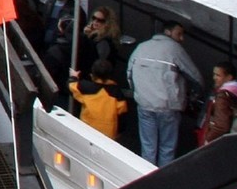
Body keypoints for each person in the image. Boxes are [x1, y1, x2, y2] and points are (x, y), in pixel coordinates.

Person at [127, 21, 204, 165]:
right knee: (167, 149)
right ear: (168, 32)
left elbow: (129, 74)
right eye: (179, 34)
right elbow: (195, 77)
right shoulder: (175, 49)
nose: (182, 38)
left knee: (148, 147)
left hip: (144, 104)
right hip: (168, 106)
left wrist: (138, 93)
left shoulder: (141, 47)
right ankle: (163, 182)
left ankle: (146, 180)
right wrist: (194, 96)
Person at [68, 68, 131, 141]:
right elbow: (122, 116)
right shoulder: (117, 93)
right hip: (108, 134)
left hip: (87, 130)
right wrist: (120, 132)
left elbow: (71, 85)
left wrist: (73, 76)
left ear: (92, 75)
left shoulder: (86, 87)